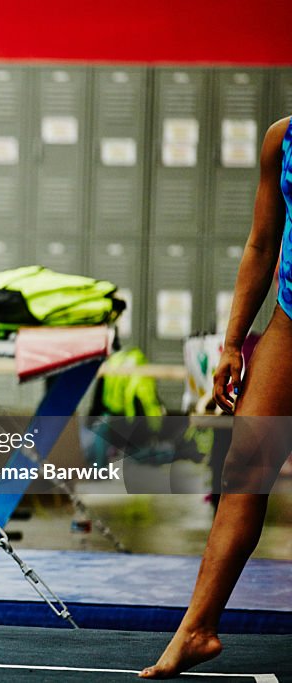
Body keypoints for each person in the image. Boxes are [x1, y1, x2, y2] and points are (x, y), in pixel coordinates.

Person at [141, 115, 292, 677]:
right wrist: (232, 343)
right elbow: (261, 243)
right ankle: (198, 628)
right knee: (243, 471)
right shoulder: (284, 138)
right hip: (290, 323)